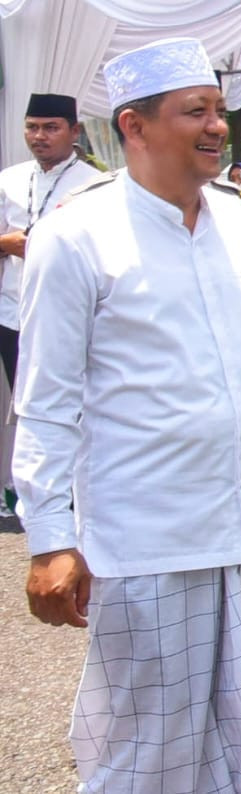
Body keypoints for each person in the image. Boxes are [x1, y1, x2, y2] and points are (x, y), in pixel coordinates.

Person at [12, 37, 241, 792]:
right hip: (148, 538)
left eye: (218, 109)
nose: (217, 126)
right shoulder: (75, 236)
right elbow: (46, 402)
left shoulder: (239, 223)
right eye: (195, 111)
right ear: (135, 125)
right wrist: (49, 538)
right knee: (152, 737)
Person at [0, 94, 102, 514]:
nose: (39, 136)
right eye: (32, 127)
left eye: (50, 128)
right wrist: (8, 243)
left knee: (75, 407)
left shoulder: (96, 184)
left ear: (74, 131)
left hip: (71, 316)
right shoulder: (9, 179)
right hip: (12, 313)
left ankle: (79, 498)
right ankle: (37, 497)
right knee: (28, 407)